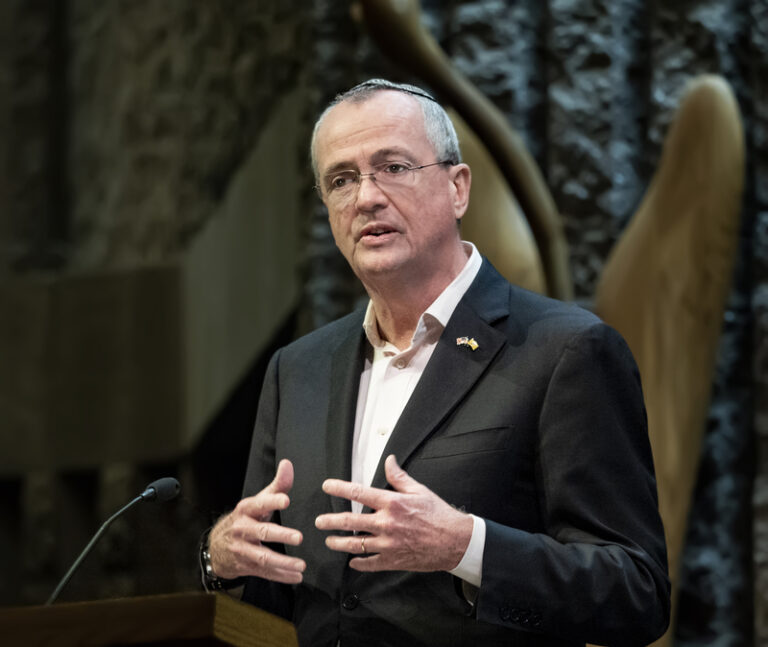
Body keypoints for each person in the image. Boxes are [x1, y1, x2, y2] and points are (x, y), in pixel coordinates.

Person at [202, 78, 670, 646]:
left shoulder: (564, 351)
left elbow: (635, 591)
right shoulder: (297, 370)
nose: (366, 198)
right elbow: (273, 591)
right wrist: (221, 559)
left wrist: (465, 547)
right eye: (341, 180)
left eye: (393, 167)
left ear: (458, 188)